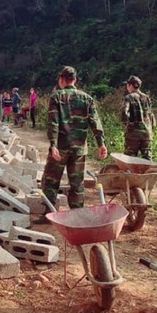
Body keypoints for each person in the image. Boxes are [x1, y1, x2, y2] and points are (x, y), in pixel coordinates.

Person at [39, 66, 107, 217]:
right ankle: (77, 215)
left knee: (51, 180)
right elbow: (95, 122)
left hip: (61, 148)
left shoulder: (56, 97)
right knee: (77, 183)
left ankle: (49, 214)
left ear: (62, 79)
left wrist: (52, 145)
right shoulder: (87, 98)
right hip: (79, 149)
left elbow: (53, 123)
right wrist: (101, 143)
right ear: (75, 80)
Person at [121, 75, 156, 160]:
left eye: (127, 85)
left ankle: (131, 173)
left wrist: (127, 125)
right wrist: (151, 129)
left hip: (133, 135)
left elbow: (124, 112)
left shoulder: (129, 97)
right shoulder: (146, 98)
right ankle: (148, 173)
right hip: (147, 134)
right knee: (147, 160)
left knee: (130, 160)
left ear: (130, 85)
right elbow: (151, 115)